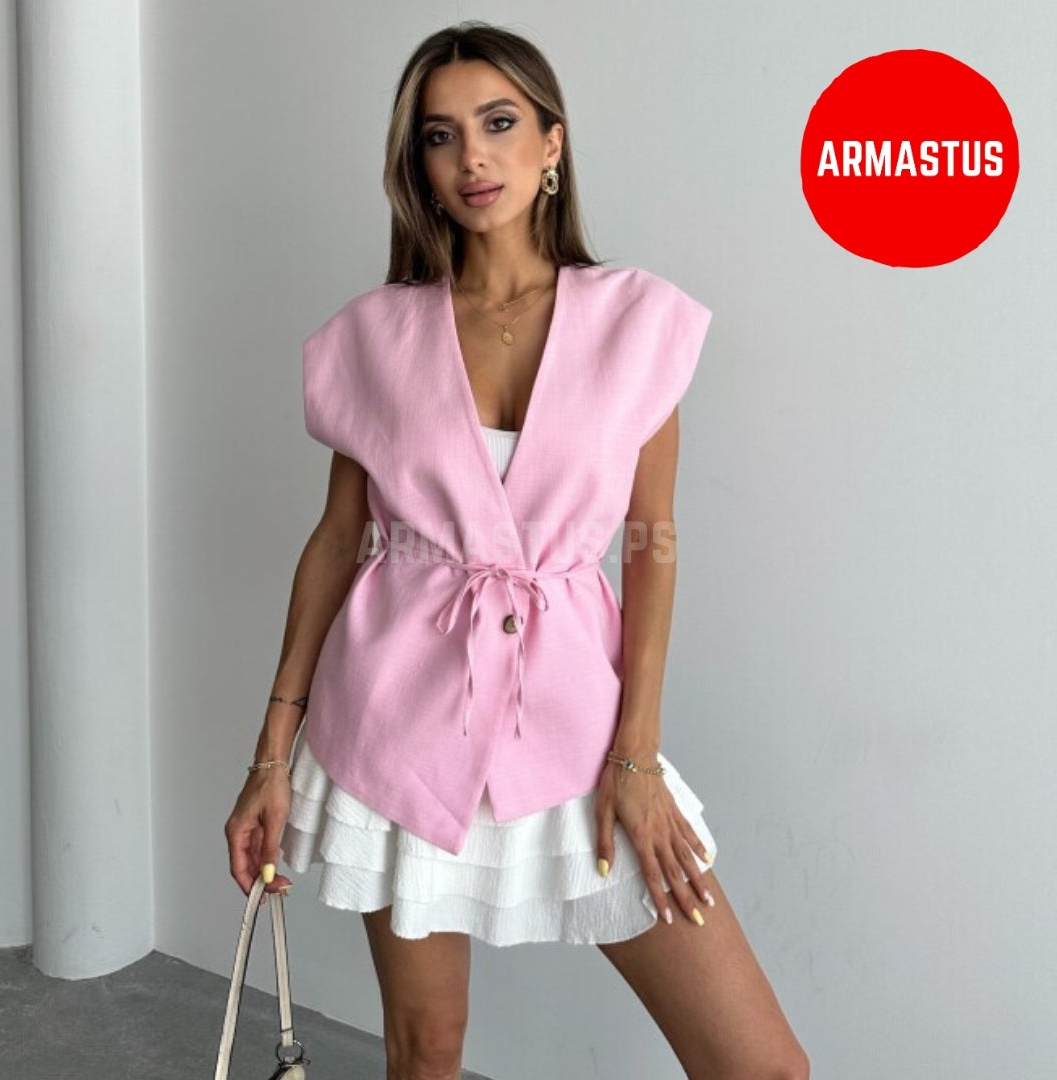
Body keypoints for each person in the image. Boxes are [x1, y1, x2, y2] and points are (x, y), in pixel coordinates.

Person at [225, 20, 809, 1080]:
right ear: (419, 164)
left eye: (498, 124)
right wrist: (271, 753)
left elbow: (651, 547)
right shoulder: (376, 335)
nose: (472, 157)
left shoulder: (636, 324)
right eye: (440, 135)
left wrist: (637, 756)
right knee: (426, 1052)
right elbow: (338, 539)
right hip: (393, 723)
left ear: (552, 144)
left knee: (760, 1065)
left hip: (580, 728)